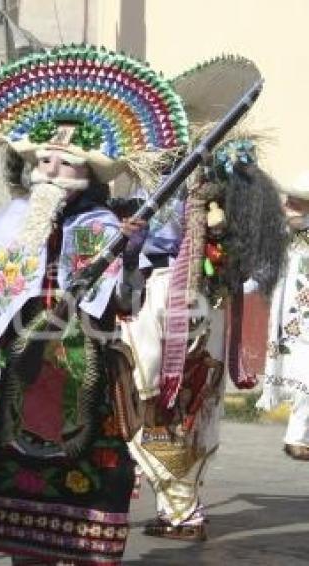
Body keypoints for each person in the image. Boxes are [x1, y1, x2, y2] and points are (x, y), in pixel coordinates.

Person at [0, 44, 189, 565]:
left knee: (82, 493)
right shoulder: (11, 220)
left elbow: (123, 302)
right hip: (19, 373)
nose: (51, 170)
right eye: (44, 160)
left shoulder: (107, 226)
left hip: (85, 374)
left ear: (89, 174)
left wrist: (132, 248)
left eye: (65, 163)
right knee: (16, 492)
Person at [122, 56, 288, 541]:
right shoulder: (199, 176)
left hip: (175, 298)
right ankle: (180, 504)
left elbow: (160, 239)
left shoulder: (194, 179)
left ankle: (181, 510)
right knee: (191, 402)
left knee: (159, 397)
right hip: (202, 302)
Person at [259, 171, 309, 460]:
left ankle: (297, 436)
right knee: (304, 377)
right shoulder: (284, 235)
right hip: (291, 320)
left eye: (296, 201)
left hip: (299, 318)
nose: (288, 204)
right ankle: (296, 437)